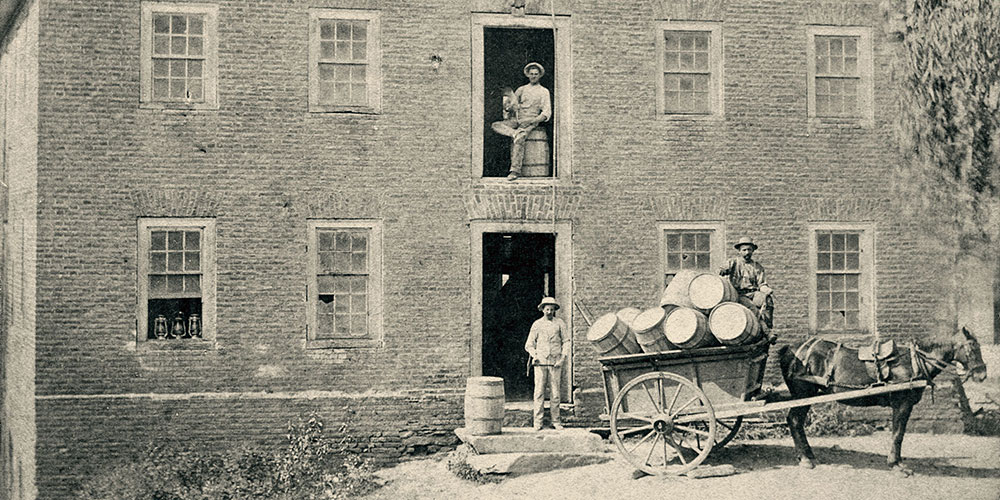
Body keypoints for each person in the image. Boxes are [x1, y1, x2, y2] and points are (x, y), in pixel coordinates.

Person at [491, 62, 552, 181]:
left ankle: (515, 171)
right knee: (495, 125)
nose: (533, 76)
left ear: (540, 75)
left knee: (520, 139)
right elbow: (513, 104)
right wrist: (509, 105)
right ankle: (514, 133)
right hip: (517, 120)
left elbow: (546, 113)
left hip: (531, 121)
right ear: (527, 75)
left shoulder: (543, 91)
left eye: (536, 74)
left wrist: (532, 121)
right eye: (531, 74)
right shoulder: (521, 89)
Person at [524, 296, 569, 431]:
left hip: (555, 362)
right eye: (547, 309)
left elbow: (566, 341)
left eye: (552, 309)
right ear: (542, 310)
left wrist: (562, 358)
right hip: (540, 363)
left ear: (555, 310)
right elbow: (529, 345)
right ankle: (538, 422)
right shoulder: (537, 324)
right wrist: (535, 355)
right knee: (539, 392)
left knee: (555, 393)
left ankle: (556, 421)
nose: (549, 312)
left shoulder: (560, 323)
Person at [719, 236, 774, 329]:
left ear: (753, 251)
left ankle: (768, 326)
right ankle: (766, 331)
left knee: (768, 301)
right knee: (752, 308)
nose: (747, 252)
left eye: (749, 250)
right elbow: (723, 269)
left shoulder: (757, 266)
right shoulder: (733, 262)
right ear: (739, 251)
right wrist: (724, 270)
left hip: (753, 293)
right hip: (739, 294)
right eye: (744, 250)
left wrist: (766, 289)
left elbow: (762, 283)